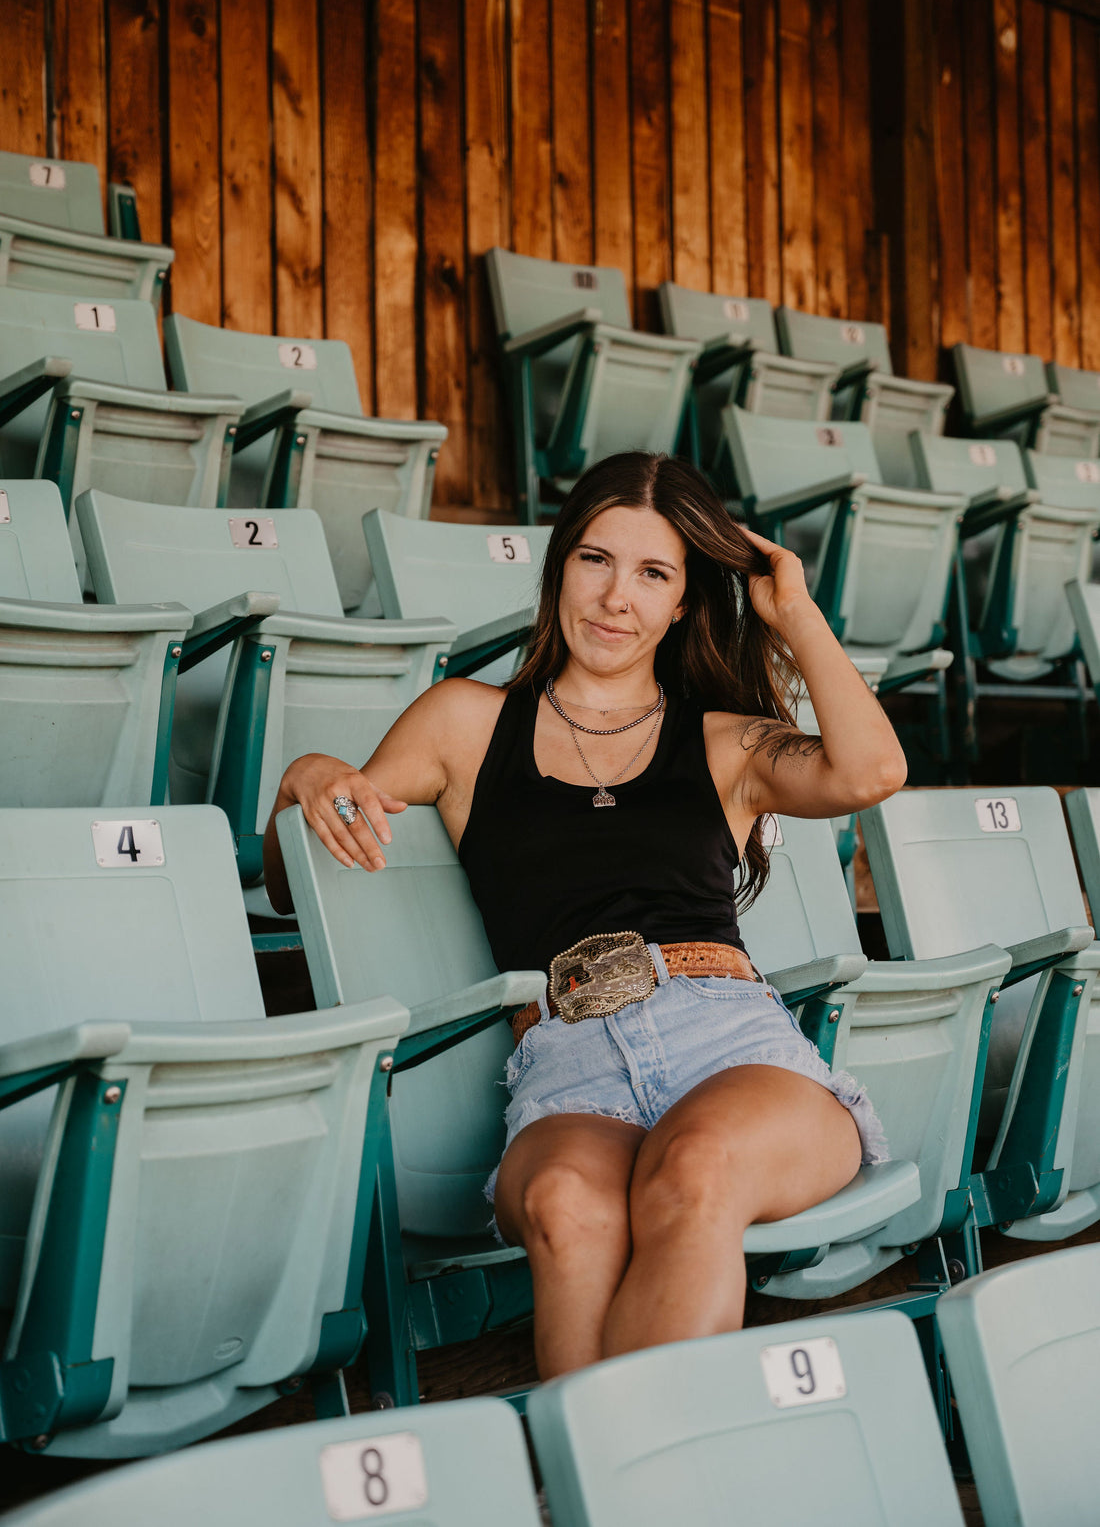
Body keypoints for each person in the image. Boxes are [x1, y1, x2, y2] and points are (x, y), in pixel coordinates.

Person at [263, 451, 907, 1380]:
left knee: (694, 1169)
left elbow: (871, 772)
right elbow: (293, 873)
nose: (617, 599)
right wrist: (306, 778)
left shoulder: (723, 739)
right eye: (596, 560)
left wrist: (794, 614)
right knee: (567, 1200)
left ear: (684, 602)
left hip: (726, 1042)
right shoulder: (464, 723)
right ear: (559, 565)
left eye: (654, 574)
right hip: (566, 1055)